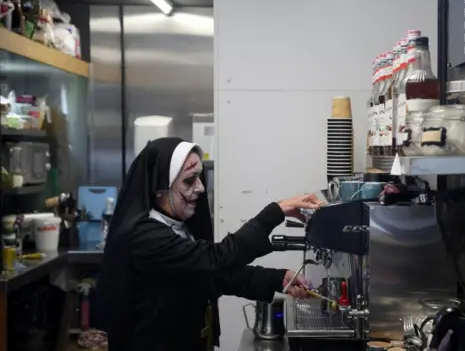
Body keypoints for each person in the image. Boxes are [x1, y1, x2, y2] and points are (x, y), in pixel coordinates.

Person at [97, 137, 324, 351]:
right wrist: (275, 211)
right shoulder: (145, 236)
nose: (200, 188)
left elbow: (213, 276)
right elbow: (217, 260)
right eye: (188, 180)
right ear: (159, 189)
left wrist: (278, 278)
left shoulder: (176, 227)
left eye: (199, 177)